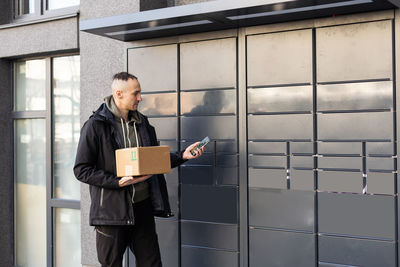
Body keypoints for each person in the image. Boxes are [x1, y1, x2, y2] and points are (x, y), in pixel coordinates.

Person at [73, 72, 205, 267]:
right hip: (112, 212)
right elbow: (81, 169)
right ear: (118, 93)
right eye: (136, 93)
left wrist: (182, 156)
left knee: (152, 263)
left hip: (142, 207)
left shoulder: (142, 124)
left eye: (139, 93)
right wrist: (116, 181)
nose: (140, 98)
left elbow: (153, 161)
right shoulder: (95, 126)